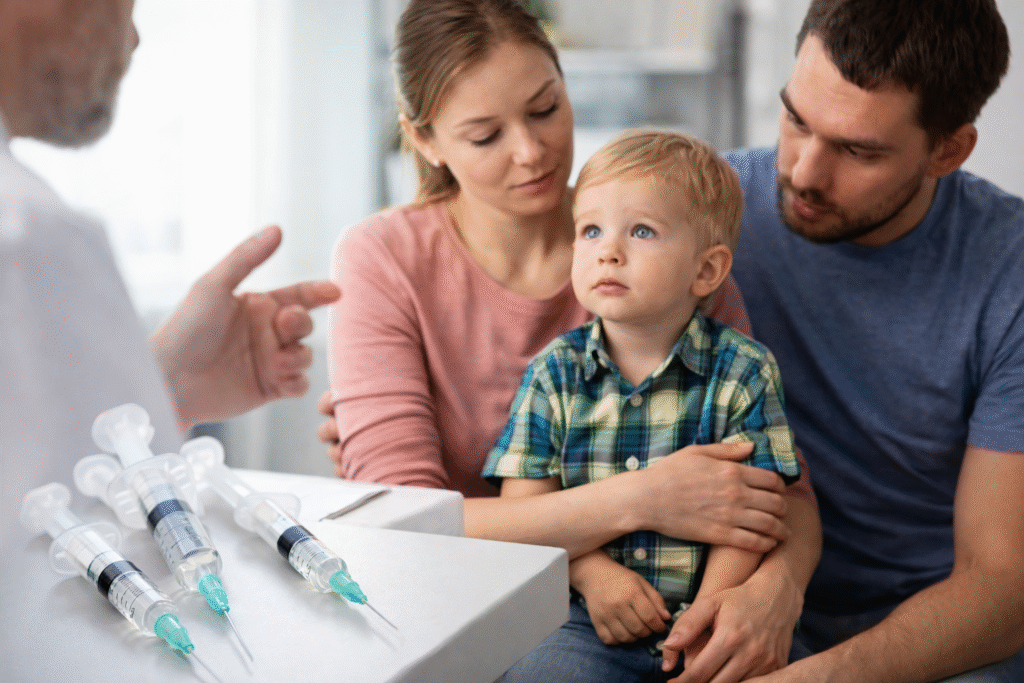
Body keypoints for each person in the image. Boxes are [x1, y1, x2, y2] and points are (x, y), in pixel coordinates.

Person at [323, 1, 821, 680]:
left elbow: (778, 490)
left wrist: (766, 596)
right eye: (484, 135)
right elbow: (404, 525)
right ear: (426, 140)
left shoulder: (661, 236)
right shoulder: (383, 259)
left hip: (696, 604)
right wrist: (643, 498)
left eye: (544, 108)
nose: (530, 153)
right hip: (505, 613)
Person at [661, 1, 1024, 682]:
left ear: (947, 149)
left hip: (935, 632)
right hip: (721, 593)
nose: (803, 173)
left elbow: (1002, 588)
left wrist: (816, 676)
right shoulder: (703, 208)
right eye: (797, 119)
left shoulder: (1012, 276)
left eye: (859, 150)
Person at [0, 0, 340, 547]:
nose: (132, 40)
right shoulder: (24, 231)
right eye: (126, 5)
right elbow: (77, 558)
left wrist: (166, 388)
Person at [484, 129, 802, 682]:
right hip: (580, 620)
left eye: (641, 231)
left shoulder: (744, 371)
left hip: (711, 612)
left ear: (706, 271)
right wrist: (589, 574)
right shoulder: (553, 375)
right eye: (590, 230)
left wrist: (714, 608)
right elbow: (528, 514)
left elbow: (757, 511)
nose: (608, 250)